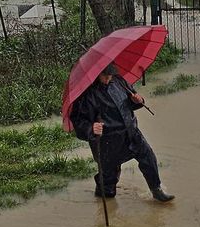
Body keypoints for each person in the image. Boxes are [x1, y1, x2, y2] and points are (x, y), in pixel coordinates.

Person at [69, 63, 175, 202]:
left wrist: (138, 100)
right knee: (108, 182)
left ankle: (156, 190)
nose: (108, 79)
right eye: (104, 77)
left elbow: (130, 102)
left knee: (148, 157)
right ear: (97, 74)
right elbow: (78, 120)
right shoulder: (88, 94)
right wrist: (91, 128)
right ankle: (103, 198)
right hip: (107, 142)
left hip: (131, 132)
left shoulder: (119, 81)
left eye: (109, 76)